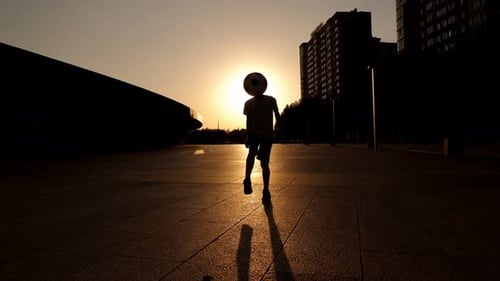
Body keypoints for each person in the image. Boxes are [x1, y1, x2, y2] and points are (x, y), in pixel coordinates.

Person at [243, 82, 280, 204]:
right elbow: (248, 121)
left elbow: (277, 116)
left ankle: (264, 189)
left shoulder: (270, 100)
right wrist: (248, 135)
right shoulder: (249, 103)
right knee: (256, 157)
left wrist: (277, 127)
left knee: (262, 162)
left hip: (265, 135)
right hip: (259, 134)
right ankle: (250, 181)